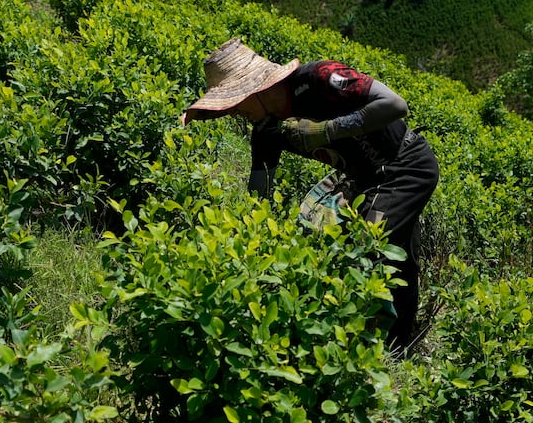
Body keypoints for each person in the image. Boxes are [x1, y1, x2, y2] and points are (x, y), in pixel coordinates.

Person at [182, 37, 439, 354]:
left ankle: (368, 352)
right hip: (362, 181)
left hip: (405, 166)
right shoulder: (266, 130)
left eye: (236, 104)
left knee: (366, 249)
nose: (235, 113)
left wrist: (325, 130)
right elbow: (258, 197)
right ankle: (400, 348)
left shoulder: (318, 79)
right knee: (398, 260)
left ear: (254, 90)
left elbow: (395, 105)